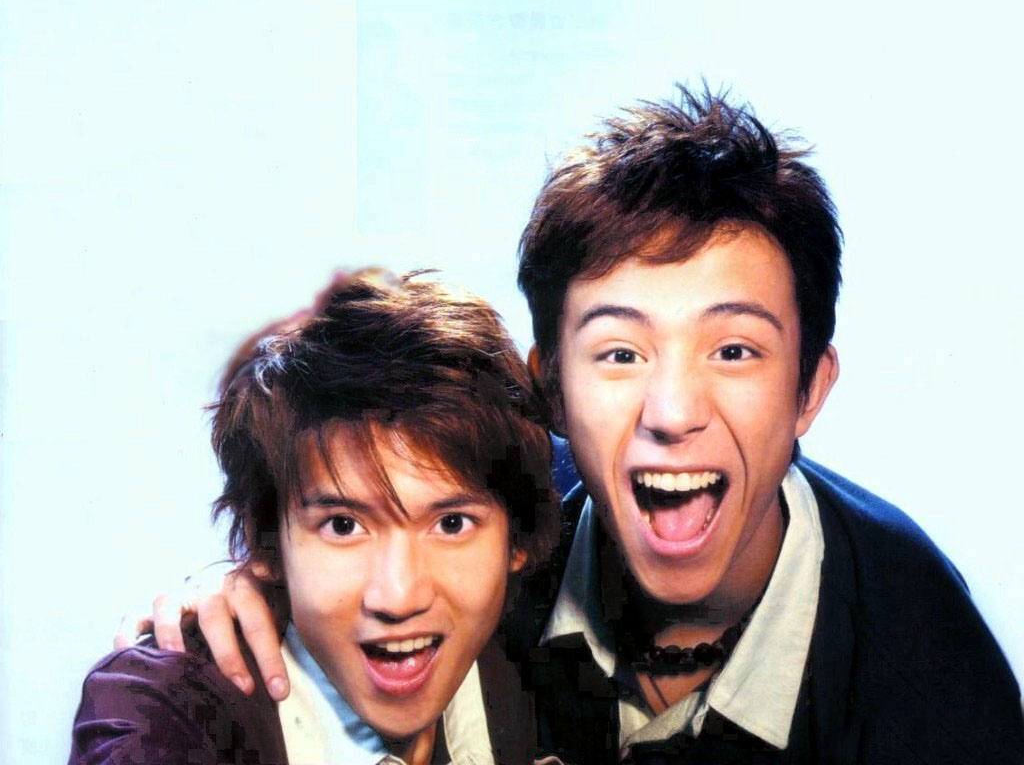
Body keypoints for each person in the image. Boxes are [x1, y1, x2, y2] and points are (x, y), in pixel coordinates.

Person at [134, 87, 1024, 763]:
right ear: (549, 391)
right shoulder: (493, 514)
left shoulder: (931, 675)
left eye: (734, 351)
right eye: (620, 353)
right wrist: (248, 588)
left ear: (809, 392)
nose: (673, 413)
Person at [69, 269, 561, 765]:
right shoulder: (161, 711)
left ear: (516, 541)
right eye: (343, 526)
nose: (398, 597)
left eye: (451, 524)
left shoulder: (539, 666)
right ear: (266, 545)